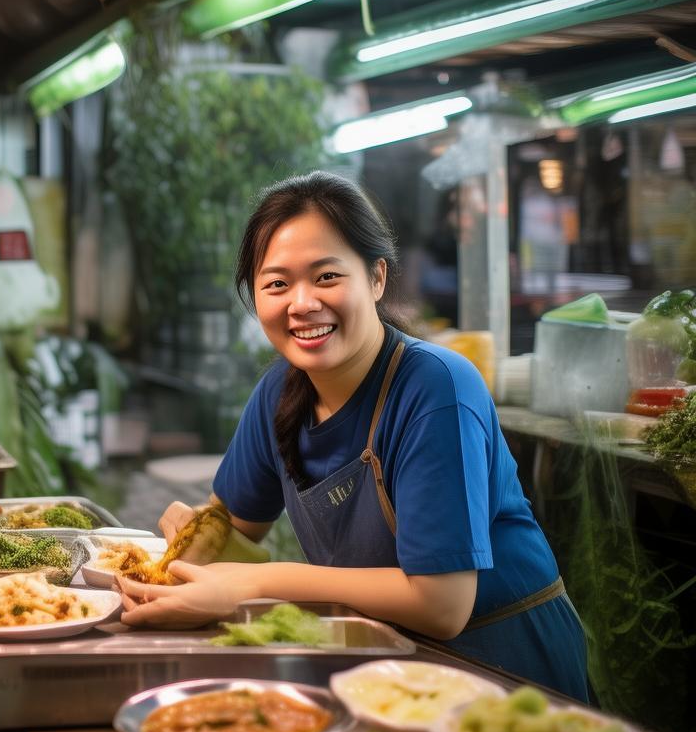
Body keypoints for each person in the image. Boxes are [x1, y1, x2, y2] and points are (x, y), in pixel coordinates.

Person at [117, 171, 589, 702]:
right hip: (387, 668)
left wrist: (253, 584)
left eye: (325, 277)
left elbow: (443, 604)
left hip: (508, 674)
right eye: (276, 284)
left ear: (377, 278)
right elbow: (235, 529)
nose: (301, 303)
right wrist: (193, 539)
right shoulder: (279, 392)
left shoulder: (436, 387)